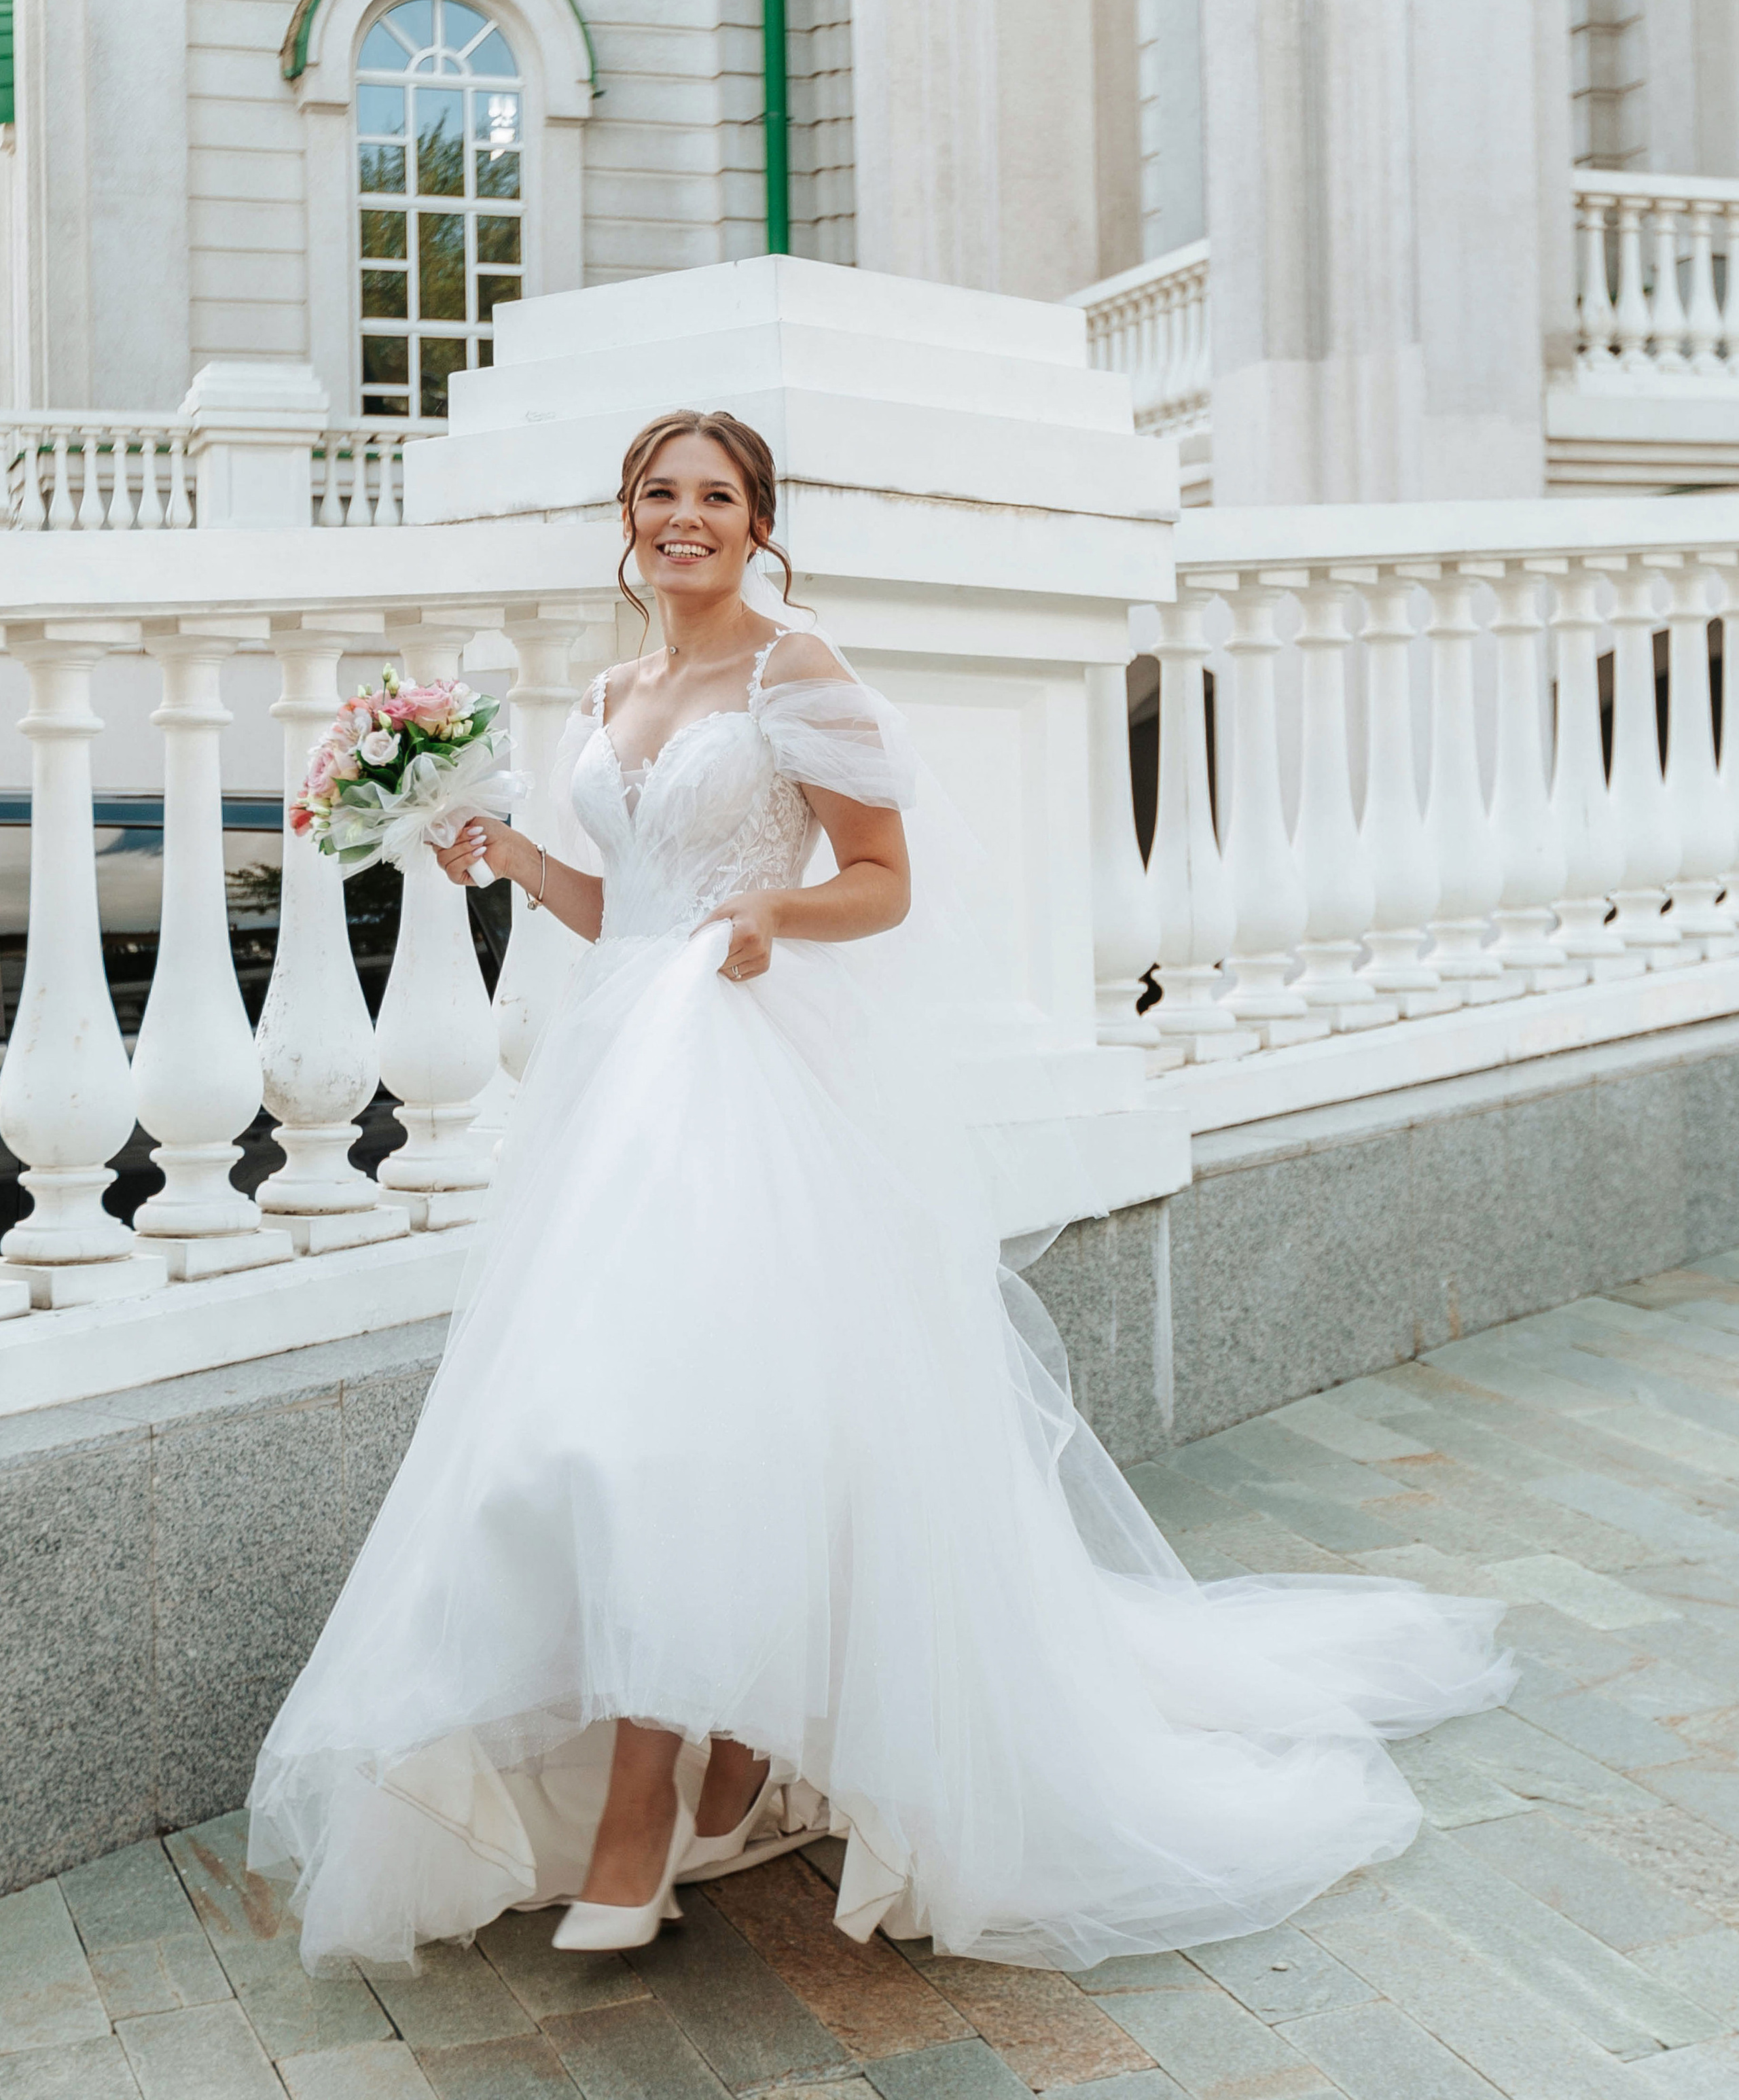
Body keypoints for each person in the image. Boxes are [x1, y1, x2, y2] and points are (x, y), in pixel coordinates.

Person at [248, 407, 1514, 1978]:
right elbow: (624, 908)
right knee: (597, 1430)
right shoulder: (611, 688)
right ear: (626, 515)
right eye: (660, 493)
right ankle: (707, 1738)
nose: (684, 518)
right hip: (618, 1093)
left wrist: (777, 910)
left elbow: (883, 880)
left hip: (748, 1081)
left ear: (758, 520)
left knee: (692, 1434)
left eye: (716, 496)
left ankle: (656, 1799)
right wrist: (502, 848)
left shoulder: (799, 674)